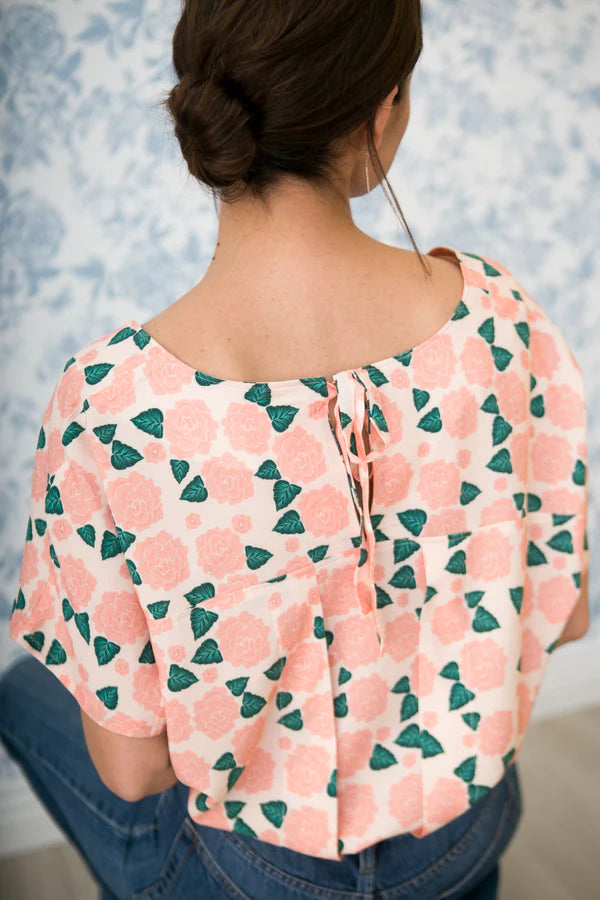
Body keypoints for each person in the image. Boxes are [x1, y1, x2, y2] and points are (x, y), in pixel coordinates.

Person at [0, 1, 589, 898]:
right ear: (380, 111)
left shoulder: (112, 407)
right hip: (463, 832)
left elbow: (133, 769)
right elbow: (567, 613)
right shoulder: (499, 320)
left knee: (22, 690)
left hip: (264, 871)